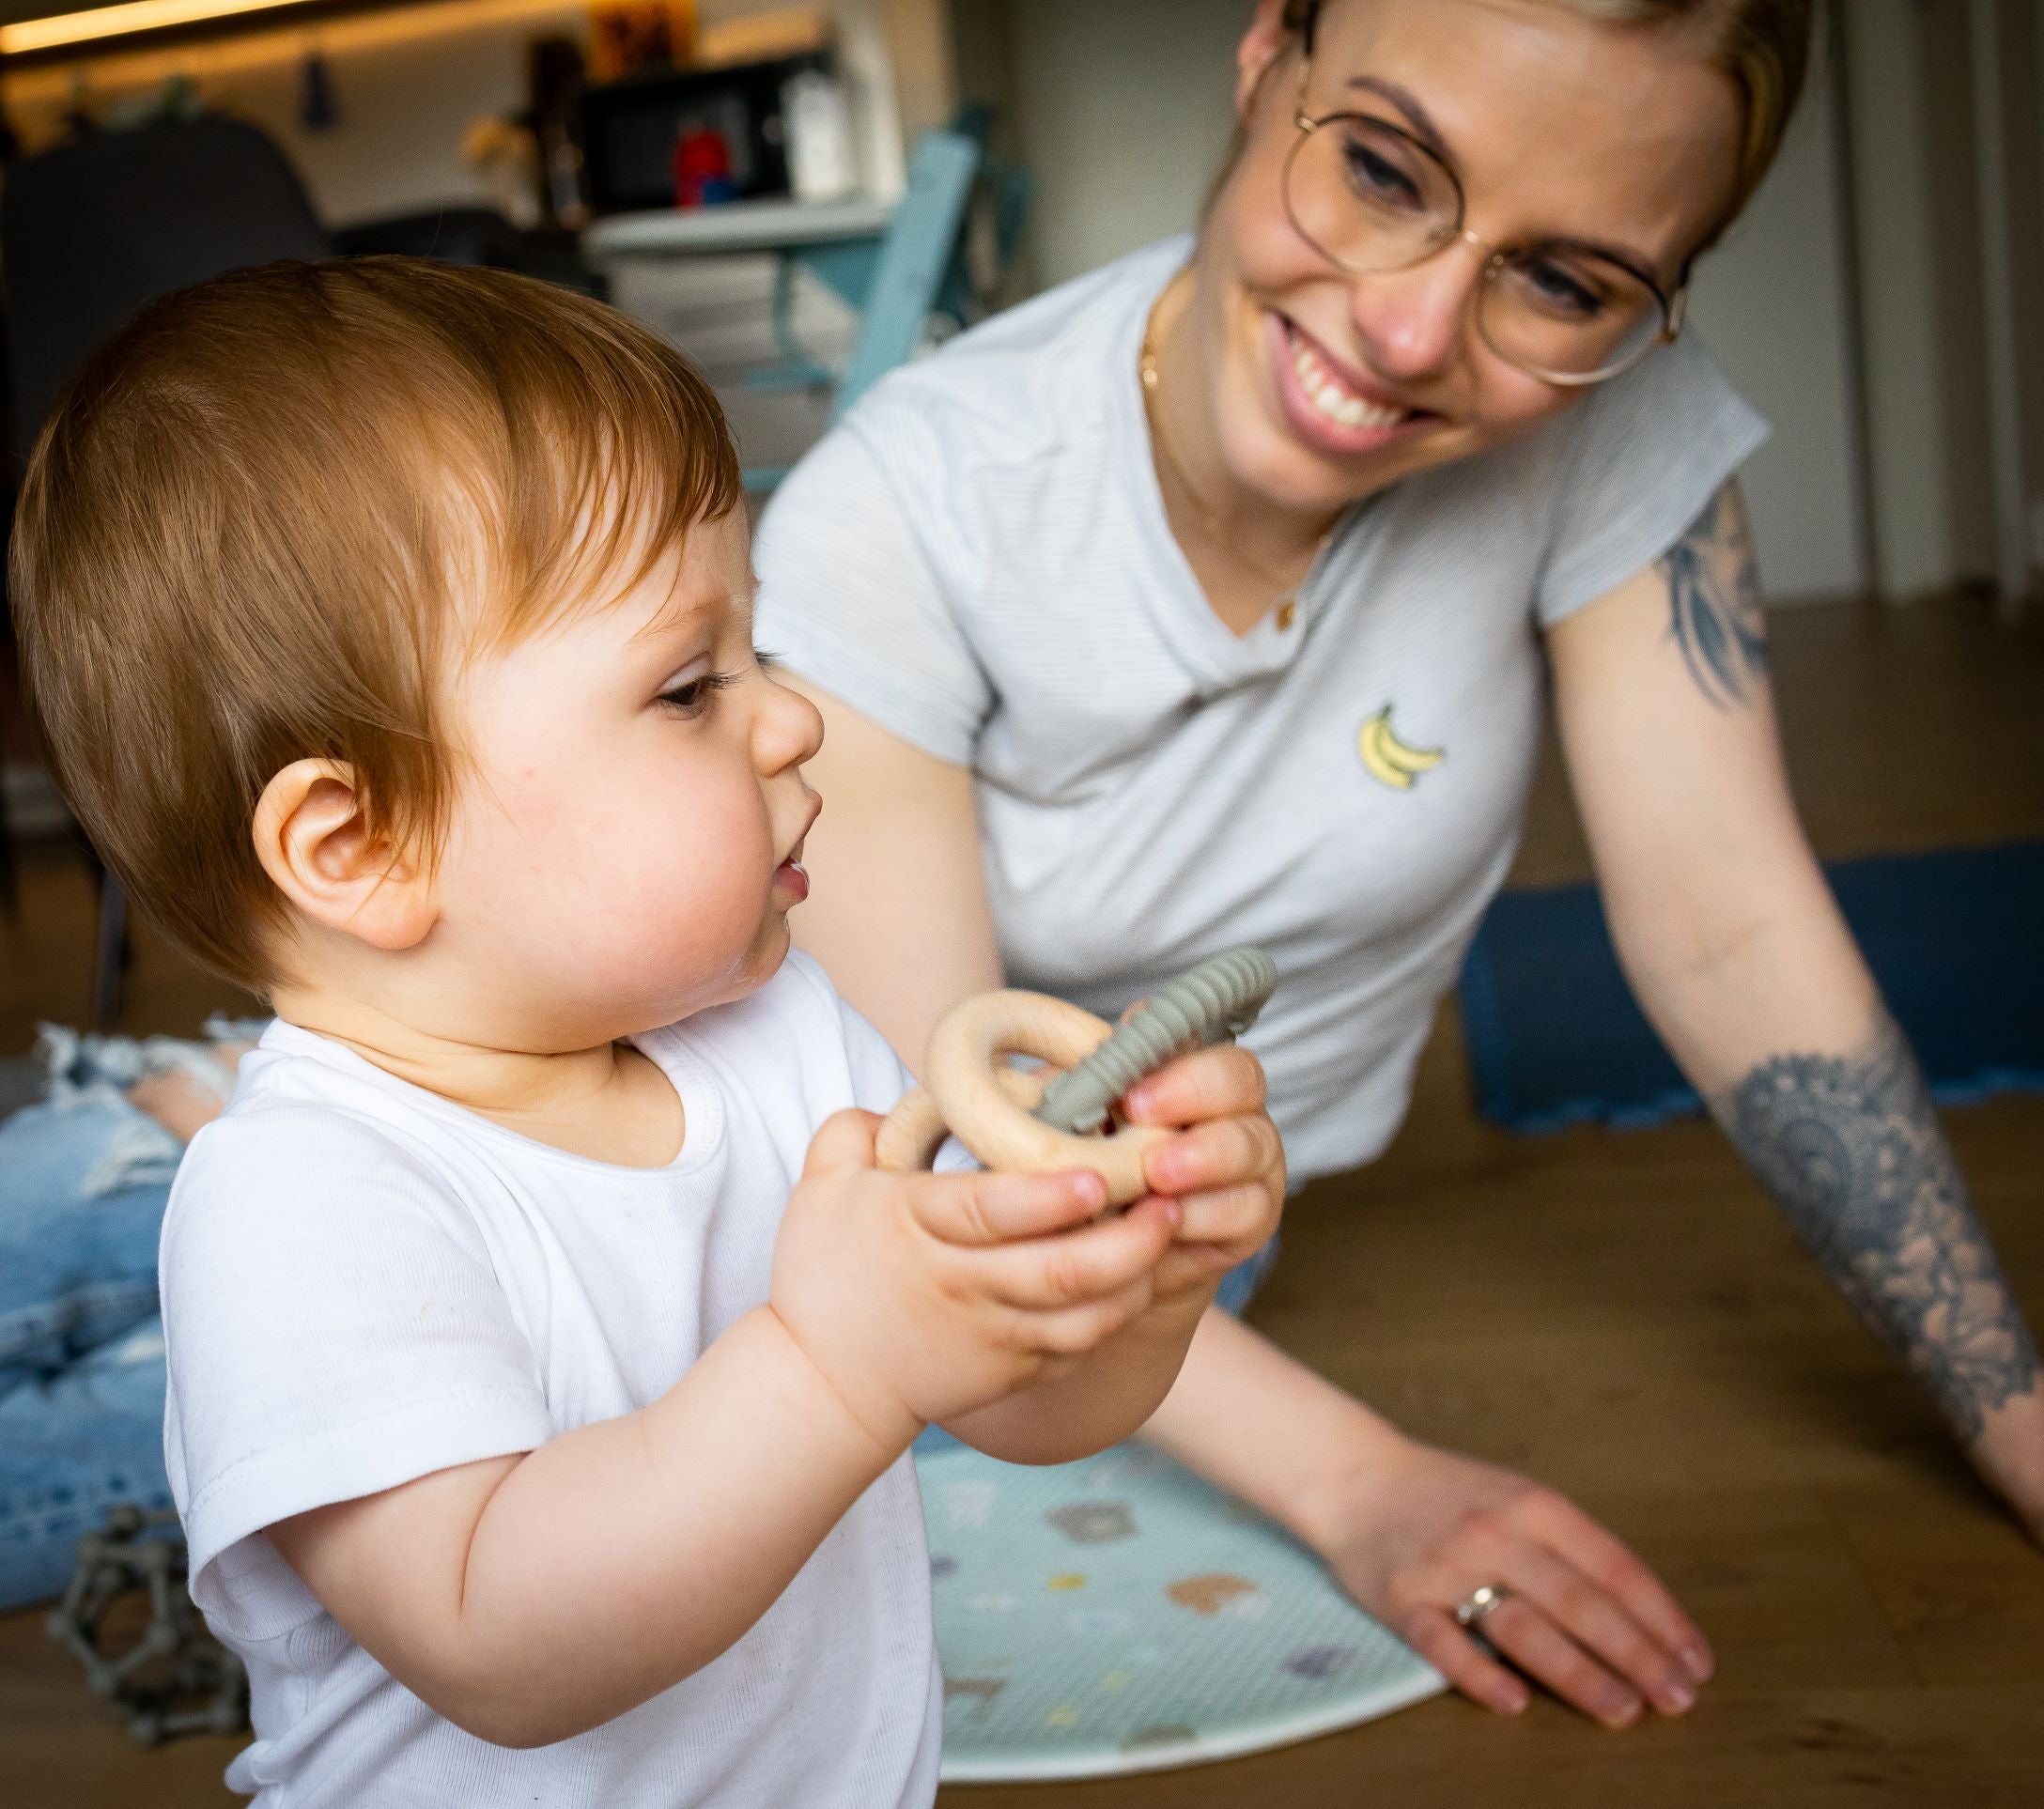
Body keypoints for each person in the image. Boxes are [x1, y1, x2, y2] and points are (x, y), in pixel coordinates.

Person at [750, 0, 2044, 1735]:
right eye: (1380, 169)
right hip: (843, 1206)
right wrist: (1361, 1478)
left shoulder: (1611, 430)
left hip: (1163, 1260)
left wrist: (2019, 1420)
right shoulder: (907, 504)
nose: (1412, 328)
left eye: (1564, 282)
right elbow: (938, 1147)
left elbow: (1731, 930)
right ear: (1264, 59)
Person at [8, 258, 1284, 1805]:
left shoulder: (788, 1033)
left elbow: (1014, 1400)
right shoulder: (300, 1201)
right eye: (689, 687)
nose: (793, 717)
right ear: (362, 847)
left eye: (757, 650)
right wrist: (834, 1366)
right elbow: (498, 1642)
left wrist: (1134, 1277)